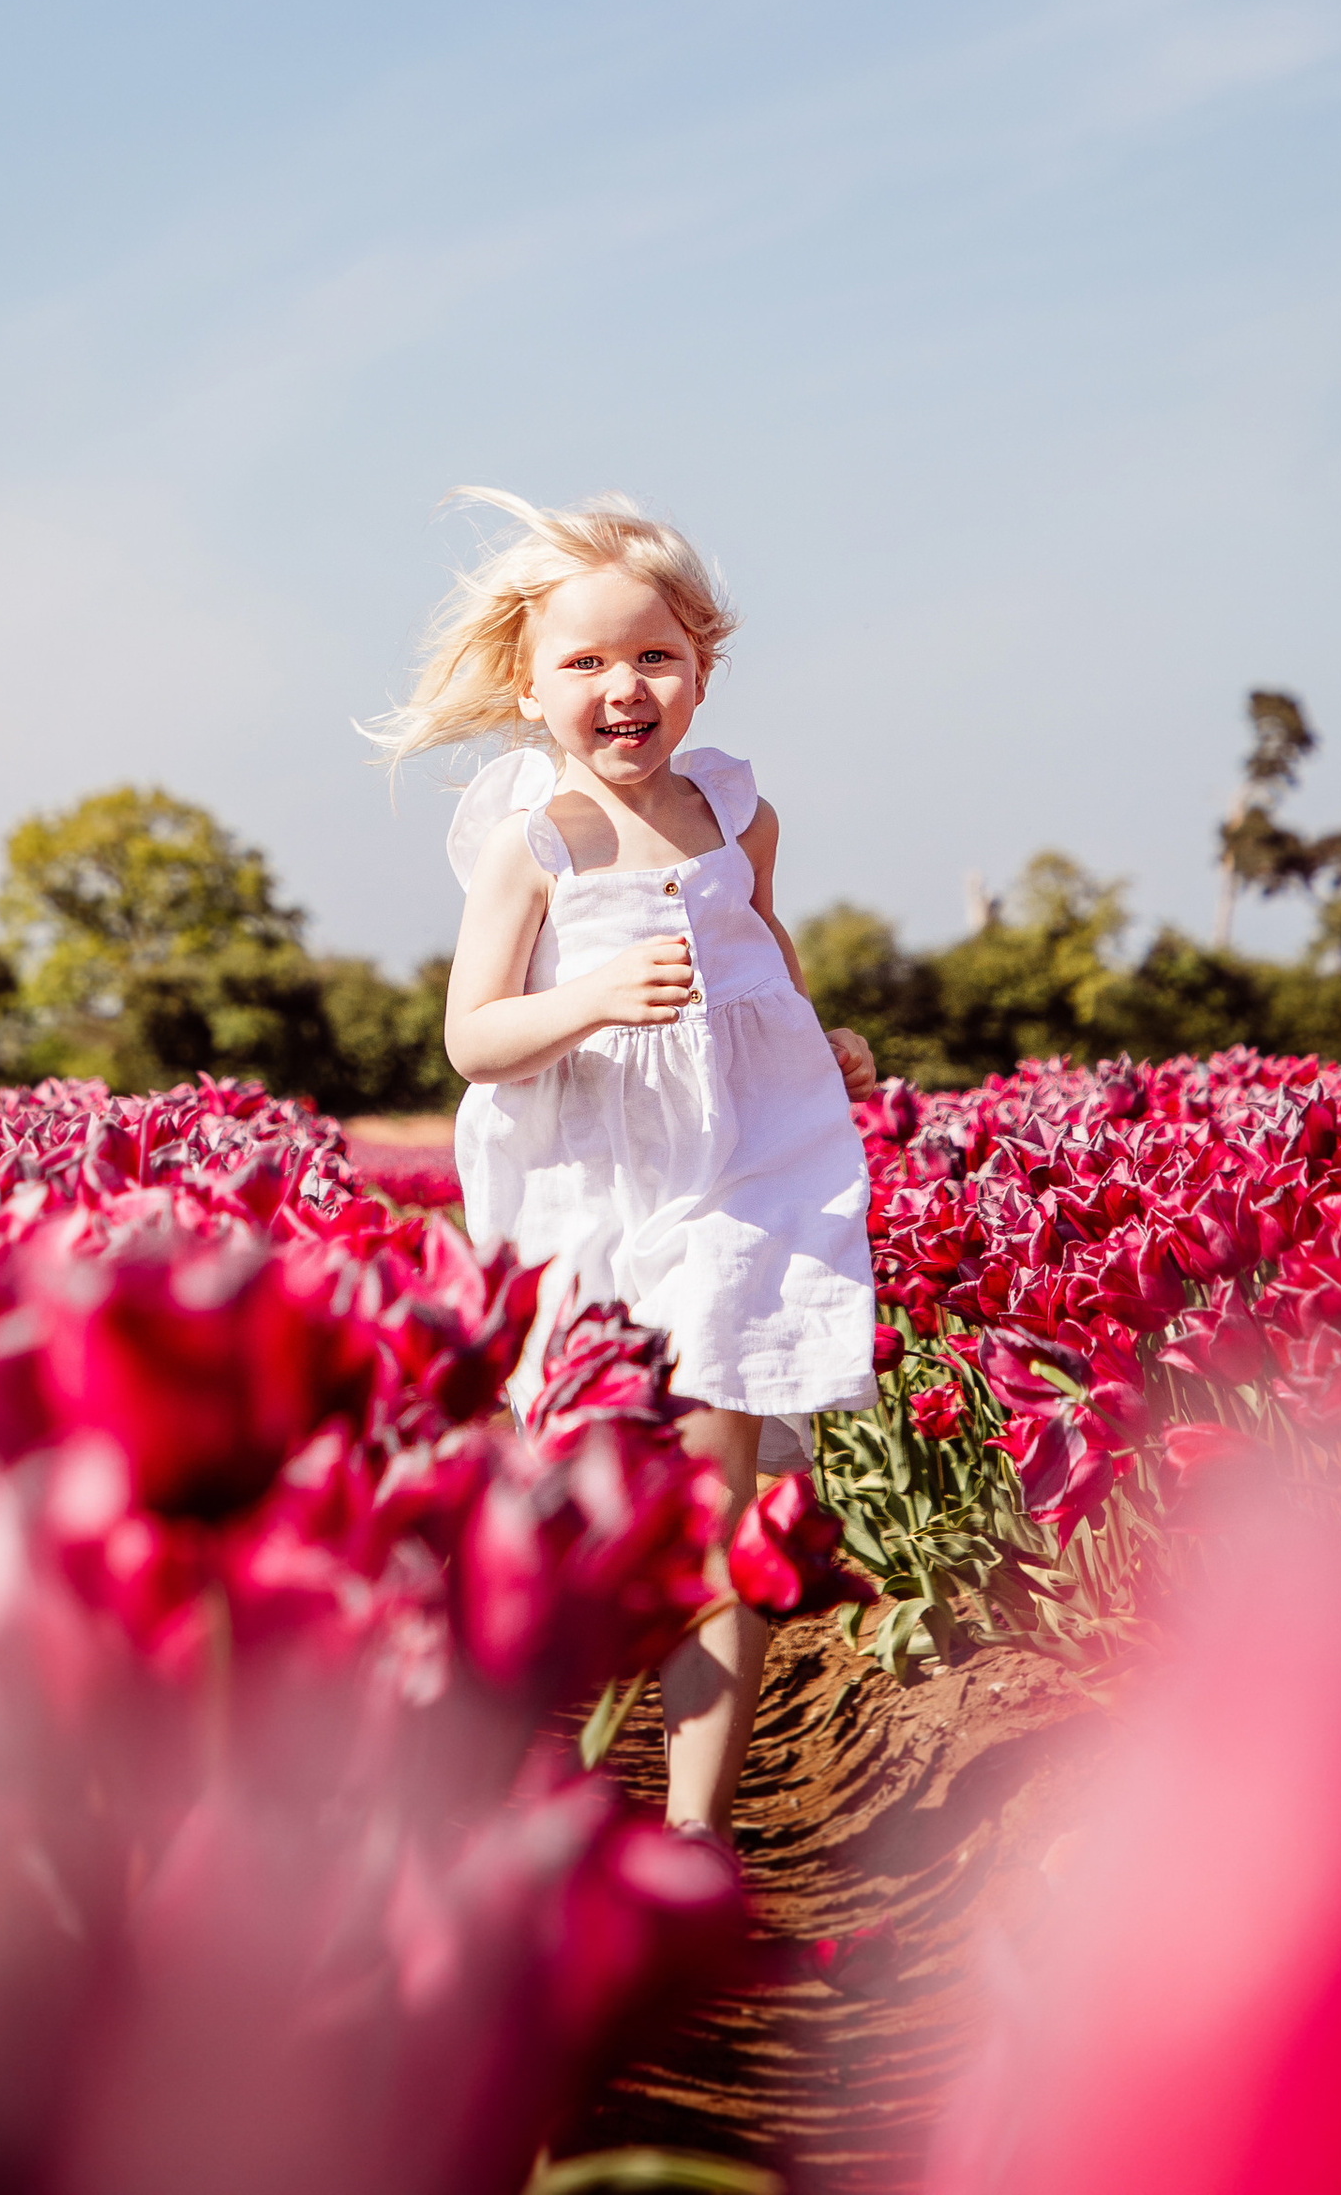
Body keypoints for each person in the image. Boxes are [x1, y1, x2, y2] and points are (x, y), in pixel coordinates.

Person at [369, 487, 878, 1842]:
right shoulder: (536, 845)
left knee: (719, 1515)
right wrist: (593, 1000)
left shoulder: (736, 810)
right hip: (591, 1180)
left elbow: (762, 951)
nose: (622, 688)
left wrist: (828, 1049)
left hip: (742, 1173)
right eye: (584, 664)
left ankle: (696, 1840)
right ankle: (517, 1791)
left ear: (702, 664)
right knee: (596, 1502)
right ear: (531, 688)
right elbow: (475, 1038)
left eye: (652, 655)